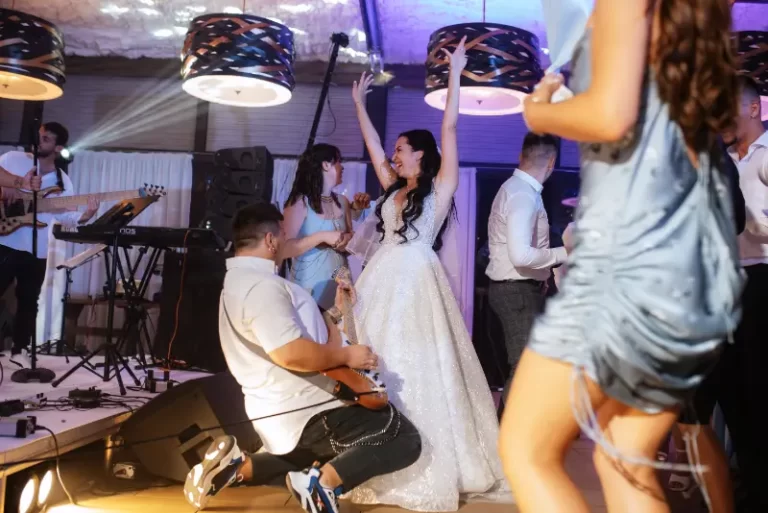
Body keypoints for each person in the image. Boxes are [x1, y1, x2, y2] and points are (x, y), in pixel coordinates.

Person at [497, 1, 743, 512]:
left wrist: (538, 112)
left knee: (526, 449)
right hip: (689, 273)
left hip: (631, 263)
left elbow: (610, 116)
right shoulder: (686, 24)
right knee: (624, 460)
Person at [347, 37, 509, 512]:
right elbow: (372, 147)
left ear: (421, 154)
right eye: (394, 150)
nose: (394, 155)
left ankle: (421, 455)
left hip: (416, 279)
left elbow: (450, 126)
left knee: (414, 360)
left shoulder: (441, 188)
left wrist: (455, 73)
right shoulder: (391, 189)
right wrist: (358, 105)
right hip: (381, 278)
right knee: (375, 354)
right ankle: (367, 450)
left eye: (401, 150)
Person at [184, 202, 421, 513]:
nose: (288, 241)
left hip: (276, 411)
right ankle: (322, 484)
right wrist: (347, 355)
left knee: (309, 454)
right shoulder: (261, 288)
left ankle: (238, 467)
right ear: (270, 240)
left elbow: (292, 337)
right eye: (284, 235)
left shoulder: (238, 282)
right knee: (402, 437)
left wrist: (335, 312)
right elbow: (291, 353)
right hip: (306, 408)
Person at [0, 122, 99, 369]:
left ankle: (20, 350)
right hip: (5, 240)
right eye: (40, 136)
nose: (39, 140)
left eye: (46, 139)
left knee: (29, 300)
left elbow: (67, 217)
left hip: (37, 248)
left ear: (58, 147)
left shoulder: (62, 181)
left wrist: (86, 215)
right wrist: (8, 187)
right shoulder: (13, 159)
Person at [486, 133, 569, 415]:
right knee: (525, 368)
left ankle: (509, 433)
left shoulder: (517, 189)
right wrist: (565, 253)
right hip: (516, 291)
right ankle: (507, 436)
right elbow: (520, 255)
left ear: (521, 155)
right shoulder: (523, 194)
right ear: (552, 162)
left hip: (517, 289)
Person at [719, 73, 768, 513]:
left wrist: (752, 224)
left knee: (756, 388)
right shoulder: (723, 158)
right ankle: (747, 482)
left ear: (753, 108)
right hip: (726, 281)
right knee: (731, 388)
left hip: (761, 279)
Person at [281, 144, 369, 310]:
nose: (342, 167)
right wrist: (322, 237)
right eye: (338, 161)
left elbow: (349, 241)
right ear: (326, 165)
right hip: (309, 287)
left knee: (344, 325)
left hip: (341, 285)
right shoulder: (299, 203)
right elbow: (283, 249)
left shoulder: (342, 201)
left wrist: (347, 240)